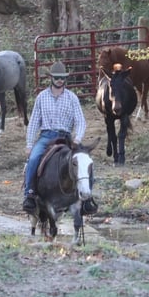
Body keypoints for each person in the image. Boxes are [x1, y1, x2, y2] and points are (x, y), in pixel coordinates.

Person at [22, 61, 91, 214]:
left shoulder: (72, 97)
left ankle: (88, 198)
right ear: (51, 78)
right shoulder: (41, 97)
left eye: (62, 77)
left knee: (84, 160)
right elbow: (34, 122)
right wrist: (29, 144)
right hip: (46, 135)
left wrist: (78, 139)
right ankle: (29, 194)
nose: (60, 80)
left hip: (66, 136)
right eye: (57, 77)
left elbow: (80, 121)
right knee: (33, 159)